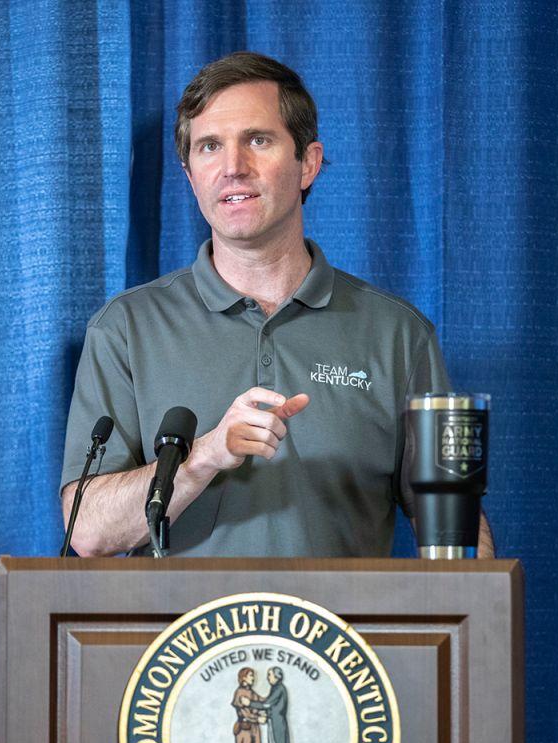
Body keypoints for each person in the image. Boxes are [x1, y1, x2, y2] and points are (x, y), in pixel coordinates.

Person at [60, 51, 493, 557]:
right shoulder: (126, 328)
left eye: (257, 140)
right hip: (183, 639)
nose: (232, 168)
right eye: (209, 147)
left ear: (307, 163)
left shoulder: (399, 335)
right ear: (189, 175)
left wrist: (475, 622)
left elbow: (455, 528)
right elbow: (87, 532)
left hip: (335, 637)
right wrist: (204, 457)